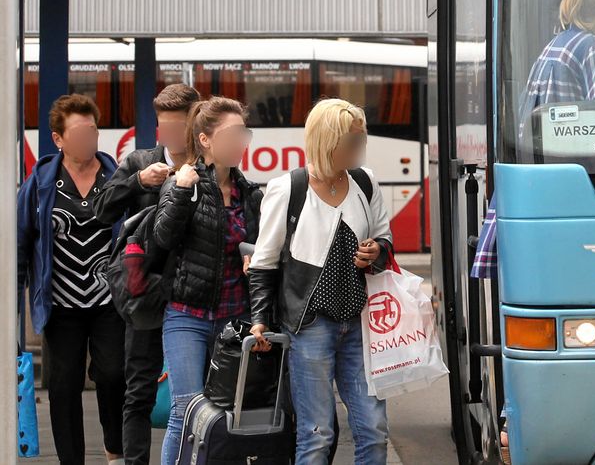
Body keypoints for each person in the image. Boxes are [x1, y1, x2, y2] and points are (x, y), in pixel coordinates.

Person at [247, 98, 394, 464]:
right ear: (329, 142)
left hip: (361, 324)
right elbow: (264, 263)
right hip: (309, 326)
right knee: (317, 434)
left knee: (374, 432)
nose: (361, 148)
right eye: (354, 141)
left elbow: (385, 240)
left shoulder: (365, 180)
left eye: (361, 139)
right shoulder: (288, 189)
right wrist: (260, 320)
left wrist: (377, 251)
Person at [93, 83, 200, 465]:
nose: (169, 137)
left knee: (198, 397)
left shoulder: (209, 164)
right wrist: (138, 182)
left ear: (195, 124)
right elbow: (102, 209)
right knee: (138, 392)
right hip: (146, 295)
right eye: (163, 129)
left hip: (194, 295)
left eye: (177, 128)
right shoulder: (140, 162)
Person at [17, 94, 126, 465]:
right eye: (78, 133)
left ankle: (115, 448)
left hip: (108, 300)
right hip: (59, 303)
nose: (88, 140)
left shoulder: (117, 179)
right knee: (63, 387)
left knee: (112, 374)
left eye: (92, 131)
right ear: (58, 139)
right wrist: (15, 300)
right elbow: (21, 240)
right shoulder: (41, 184)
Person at [154, 96, 262, 464]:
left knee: (229, 415)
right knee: (185, 410)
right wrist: (181, 192)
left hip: (236, 320)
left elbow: (264, 251)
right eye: (234, 133)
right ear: (205, 140)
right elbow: (163, 239)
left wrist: (255, 260)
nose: (242, 142)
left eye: (244, 133)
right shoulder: (184, 184)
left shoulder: (251, 194)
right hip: (188, 316)